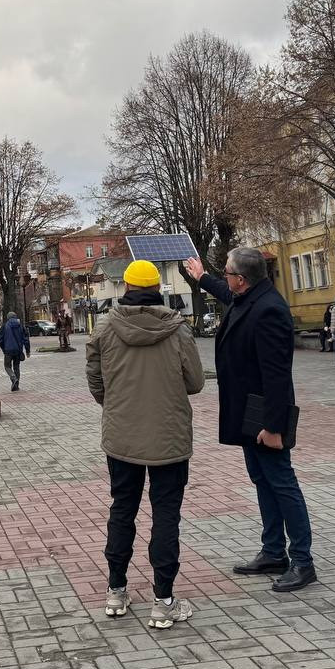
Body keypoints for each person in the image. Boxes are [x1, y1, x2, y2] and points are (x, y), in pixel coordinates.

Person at [185, 247, 316, 592]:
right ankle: (274, 551)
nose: (225, 278)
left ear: (242, 279)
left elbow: (277, 376)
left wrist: (273, 428)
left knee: (282, 483)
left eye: (227, 272)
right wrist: (201, 277)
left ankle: (303, 561)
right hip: (249, 412)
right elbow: (227, 294)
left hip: (266, 416)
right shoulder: (249, 296)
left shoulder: (269, 310)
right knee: (262, 480)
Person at [86, 259, 204, 629]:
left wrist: (116, 405)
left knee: (123, 509)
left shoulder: (104, 328)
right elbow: (196, 382)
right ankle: (163, 600)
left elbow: (95, 381)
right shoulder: (178, 330)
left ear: (125, 289)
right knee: (165, 514)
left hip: (122, 437)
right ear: (157, 290)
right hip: (169, 437)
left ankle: (116, 591)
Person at [0, 311, 30, 390]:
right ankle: (16, 386)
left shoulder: (5, 326)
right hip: (18, 350)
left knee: (7, 366)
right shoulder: (20, 326)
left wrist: (4, 348)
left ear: (8, 318)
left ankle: (13, 378)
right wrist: (27, 351)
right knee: (16, 367)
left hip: (8, 350)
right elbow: (26, 339)